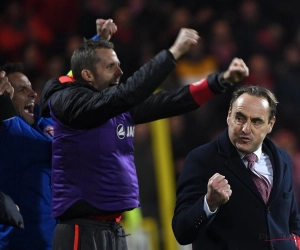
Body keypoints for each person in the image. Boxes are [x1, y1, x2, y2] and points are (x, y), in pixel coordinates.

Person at [40, 27, 249, 250]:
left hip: (114, 229)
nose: (120, 72)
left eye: (118, 64)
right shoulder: (67, 102)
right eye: (111, 66)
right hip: (80, 230)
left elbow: (170, 101)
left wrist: (220, 81)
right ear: (87, 74)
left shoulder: (116, 107)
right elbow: (130, 92)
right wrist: (174, 52)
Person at [0, 19, 116, 250]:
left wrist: (98, 42)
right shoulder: (9, 135)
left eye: (31, 87)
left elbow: (73, 83)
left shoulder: (47, 124)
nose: (33, 93)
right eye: (21, 90)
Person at [172, 85, 300, 250]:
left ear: (270, 125)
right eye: (240, 118)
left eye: (256, 121)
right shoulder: (201, 159)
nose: (246, 129)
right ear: (228, 116)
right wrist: (209, 203)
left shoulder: (282, 159)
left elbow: (292, 218)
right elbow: (182, 231)